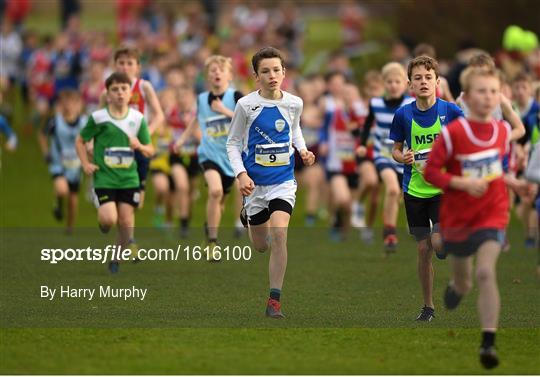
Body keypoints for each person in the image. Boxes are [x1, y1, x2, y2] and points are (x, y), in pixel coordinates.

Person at [424, 66, 525, 369]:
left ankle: (488, 342)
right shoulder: (454, 134)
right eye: (481, 91)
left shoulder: (502, 130)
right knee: (465, 281)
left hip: (492, 214)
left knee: (485, 272)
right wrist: (462, 183)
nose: (488, 97)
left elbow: (493, 170)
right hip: (458, 218)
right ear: (466, 98)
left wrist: (512, 182)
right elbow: (431, 172)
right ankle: (456, 288)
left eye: (494, 92)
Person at [226, 47, 315, 318]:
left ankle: (274, 300)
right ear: (256, 76)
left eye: (276, 70)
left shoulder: (294, 103)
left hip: (282, 182)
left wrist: (302, 149)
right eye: (265, 71)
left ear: (284, 73)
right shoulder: (246, 105)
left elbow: (295, 128)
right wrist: (241, 175)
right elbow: (232, 143)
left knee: (280, 233)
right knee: (261, 245)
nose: (272, 75)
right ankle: (247, 213)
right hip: (255, 186)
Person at [390, 56, 464, 322]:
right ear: (410, 85)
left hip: (442, 190)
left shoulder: (451, 112)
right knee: (423, 250)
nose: (423, 82)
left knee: (438, 242)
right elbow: (395, 150)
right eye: (418, 78)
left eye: (428, 77)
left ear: (437, 82)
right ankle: (428, 306)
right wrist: (403, 157)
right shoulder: (403, 114)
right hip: (414, 191)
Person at [76, 72, 154, 273]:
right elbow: (80, 140)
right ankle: (103, 219)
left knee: (126, 220)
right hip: (105, 178)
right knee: (109, 219)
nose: (120, 93)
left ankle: (116, 259)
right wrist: (85, 164)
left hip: (129, 179)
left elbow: (150, 149)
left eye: (124, 89)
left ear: (130, 94)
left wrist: (139, 146)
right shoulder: (98, 118)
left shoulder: (138, 119)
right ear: (108, 94)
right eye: (115, 89)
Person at [174, 55, 243, 257]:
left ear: (229, 75)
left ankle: (209, 228)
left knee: (220, 202)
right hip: (209, 154)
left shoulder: (236, 96)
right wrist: (182, 139)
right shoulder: (202, 99)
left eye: (221, 70)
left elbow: (247, 119)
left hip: (231, 156)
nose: (217, 73)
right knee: (215, 191)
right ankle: (213, 242)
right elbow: (197, 120)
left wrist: (224, 110)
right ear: (207, 76)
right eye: (212, 70)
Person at [358, 62, 414, 253]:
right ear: (384, 84)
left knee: (400, 195)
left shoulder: (410, 105)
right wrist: (362, 145)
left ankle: (395, 227)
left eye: (397, 81)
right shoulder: (376, 103)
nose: (393, 85)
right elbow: (366, 126)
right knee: (391, 189)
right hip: (382, 155)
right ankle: (390, 233)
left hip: (404, 157)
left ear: (405, 84)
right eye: (389, 82)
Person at [102, 46, 164, 209]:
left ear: (138, 67)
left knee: (136, 202)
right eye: (121, 63)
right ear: (114, 65)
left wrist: (145, 134)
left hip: (139, 146)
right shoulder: (107, 91)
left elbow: (159, 115)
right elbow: (99, 120)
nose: (125, 67)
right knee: (118, 195)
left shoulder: (144, 87)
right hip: (115, 146)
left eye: (130, 63)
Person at [39, 89, 87, 234]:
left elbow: (91, 140)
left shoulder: (84, 123)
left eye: (73, 102)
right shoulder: (55, 121)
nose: (69, 106)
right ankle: (59, 204)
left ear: (79, 104)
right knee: (62, 189)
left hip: (75, 166)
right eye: (65, 102)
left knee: (73, 200)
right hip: (58, 164)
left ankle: (69, 228)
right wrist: (46, 152)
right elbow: (42, 135)